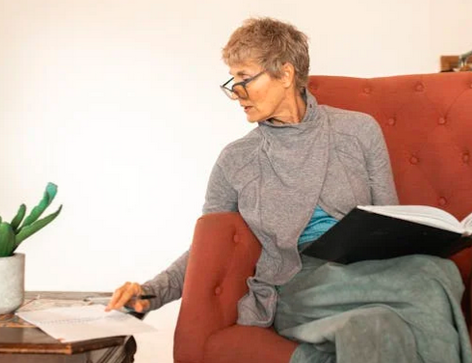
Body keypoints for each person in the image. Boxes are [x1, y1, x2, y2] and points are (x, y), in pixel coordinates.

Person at [107, 18, 471, 363]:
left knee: (392, 309)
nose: (236, 92)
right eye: (232, 80)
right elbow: (207, 251)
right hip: (298, 287)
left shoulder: (359, 131)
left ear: (285, 73)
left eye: (245, 78)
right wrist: (148, 295)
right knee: (431, 277)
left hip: (369, 275)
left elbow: (390, 220)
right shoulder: (237, 160)